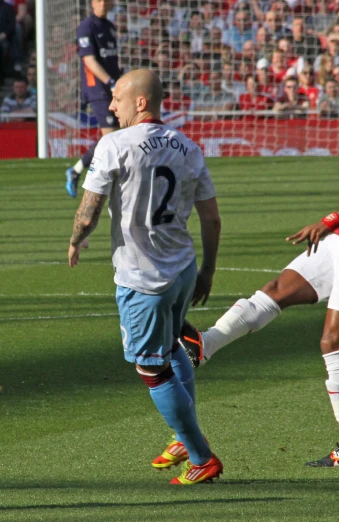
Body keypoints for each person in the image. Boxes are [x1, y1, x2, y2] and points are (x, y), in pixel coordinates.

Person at [180, 57, 339, 468]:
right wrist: (335, 227)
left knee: (333, 342)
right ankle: (205, 345)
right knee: (274, 291)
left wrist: (330, 220)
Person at [67, 68, 223, 485]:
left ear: (141, 102)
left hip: (144, 279)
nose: (110, 105)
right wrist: (207, 270)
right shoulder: (188, 147)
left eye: (116, 97)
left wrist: (75, 239)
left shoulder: (114, 144)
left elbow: (91, 208)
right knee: (171, 347)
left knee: (151, 367)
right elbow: (211, 217)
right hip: (183, 269)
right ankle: (181, 434)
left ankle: (201, 456)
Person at [64, 0, 121, 198]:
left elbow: (112, 59)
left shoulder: (110, 26)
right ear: (92, 3)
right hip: (98, 89)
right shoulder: (86, 27)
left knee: (114, 136)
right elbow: (88, 60)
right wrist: (110, 81)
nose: (103, 3)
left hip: (113, 87)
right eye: (99, 0)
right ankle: (102, 180)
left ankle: (76, 170)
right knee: (111, 136)